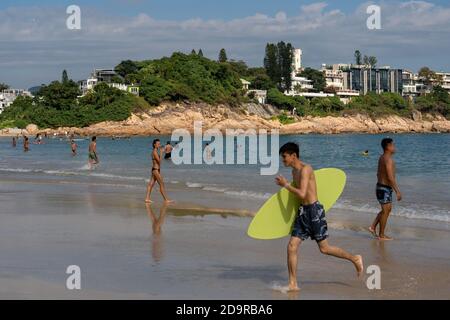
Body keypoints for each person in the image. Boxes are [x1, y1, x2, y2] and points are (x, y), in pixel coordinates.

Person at [275, 142, 363, 292]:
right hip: (302, 212)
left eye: (284, 157)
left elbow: (302, 193)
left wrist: (285, 185)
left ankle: (355, 258)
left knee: (325, 249)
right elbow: (299, 197)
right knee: (291, 246)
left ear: (293, 155)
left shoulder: (306, 169)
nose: (283, 160)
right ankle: (293, 284)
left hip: (314, 211)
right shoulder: (294, 172)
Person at [369, 138, 402, 241]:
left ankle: (373, 227)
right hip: (384, 189)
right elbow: (390, 177)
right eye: (393, 145)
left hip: (382, 187)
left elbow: (378, 173)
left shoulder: (382, 157)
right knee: (385, 211)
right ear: (388, 147)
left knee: (387, 210)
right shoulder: (388, 159)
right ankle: (381, 235)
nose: (394, 147)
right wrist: (397, 191)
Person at [145, 139, 173, 204]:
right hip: (156, 170)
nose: (159, 145)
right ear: (154, 144)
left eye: (159, 144)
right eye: (158, 144)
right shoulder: (155, 152)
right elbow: (159, 162)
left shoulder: (154, 151)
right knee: (161, 184)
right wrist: (161, 152)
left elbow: (157, 161)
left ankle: (147, 198)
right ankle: (166, 200)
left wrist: (161, 152)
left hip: (154, 170)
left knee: (151, 184)